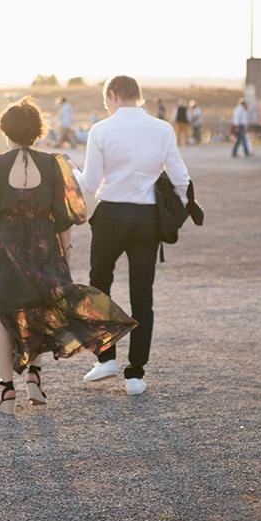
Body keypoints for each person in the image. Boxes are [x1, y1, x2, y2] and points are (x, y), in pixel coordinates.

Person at [0, 98, 134, 411]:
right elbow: (64, 216)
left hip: (4, 248)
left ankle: (6, 392)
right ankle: (34, 378)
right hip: (44, 246)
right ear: (37, 132)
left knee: (4, 314)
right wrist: (65, 254)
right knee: (41, 309)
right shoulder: (52, 164)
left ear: (6, 130)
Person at [73, 75, 191, 395]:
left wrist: (70, 172)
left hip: (111, 214)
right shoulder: (163, 128)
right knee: (143, 295)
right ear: (137, 96)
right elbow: (181, 178)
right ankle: (136, 374)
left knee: (99, 287)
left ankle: (106, 357)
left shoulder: (101, 130)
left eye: (105, 101)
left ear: (112, 95)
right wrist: (176, 210)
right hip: (146, 217)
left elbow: (89, 183)